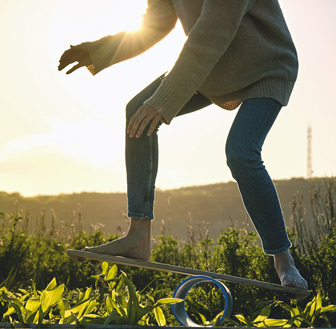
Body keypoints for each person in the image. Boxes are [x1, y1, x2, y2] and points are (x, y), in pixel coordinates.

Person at [58, 0, 307, 289]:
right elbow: (156, 23)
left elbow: (211, 33)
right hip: (215, 65)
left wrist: (163, 102)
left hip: (266, 65)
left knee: (241, 153)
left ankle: (283, 261)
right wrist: (96, 50)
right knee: (138, 110)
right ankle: (138, 235)